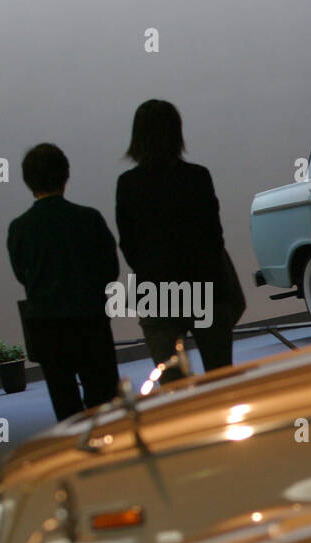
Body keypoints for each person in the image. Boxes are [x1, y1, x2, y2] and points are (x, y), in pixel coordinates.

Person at [116, 99, 240, 378]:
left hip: (157, 292)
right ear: (176, 133)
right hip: (205, 286)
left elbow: (128, 244)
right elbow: (213, 237)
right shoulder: (197, 177)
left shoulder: (128, 185)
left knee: (173, 387)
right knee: (220, 377)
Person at [6, 143, 120, 421]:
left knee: (66, 407)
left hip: (46, 327)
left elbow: (22, 276)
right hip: (90, 320)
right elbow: (110, 270)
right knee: (104, 399)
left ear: (28, 182)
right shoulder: (88, 218)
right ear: (65, 175)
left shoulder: (19, 228)